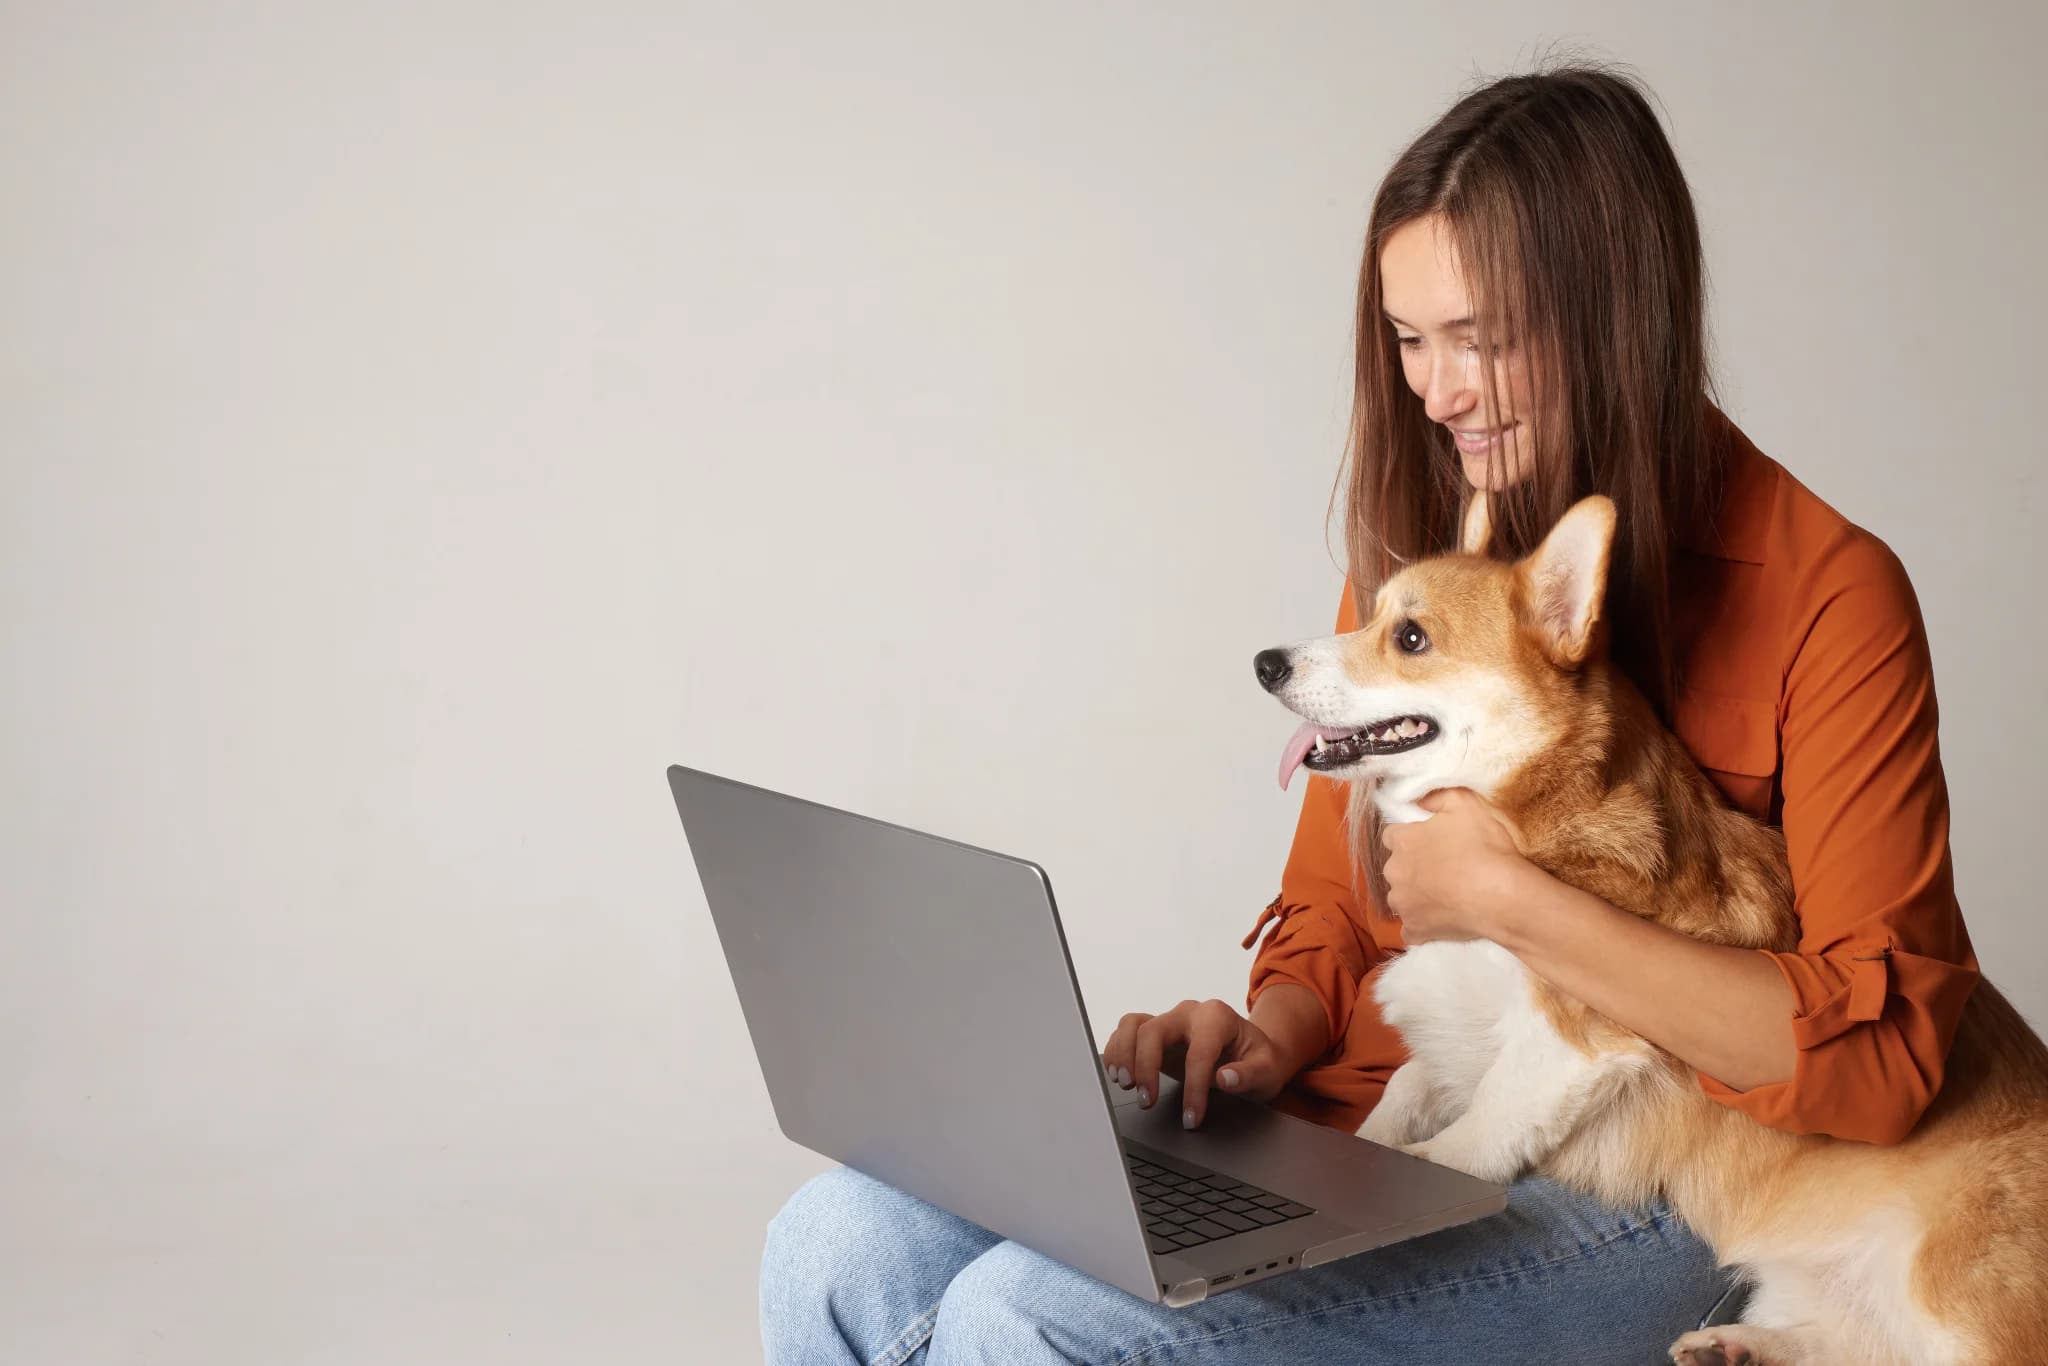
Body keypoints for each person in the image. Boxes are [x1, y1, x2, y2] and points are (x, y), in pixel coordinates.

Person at [757, 60, 1980, 1364]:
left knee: (1022, 1320)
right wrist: (1263, 1038)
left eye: (1480, 336)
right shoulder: (1429, 565)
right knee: (838, 1241)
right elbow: (1340, 908)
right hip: (1379, 1127)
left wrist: (1515, 899)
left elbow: (1885, 1054)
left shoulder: (1830, 593)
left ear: (1616, 316)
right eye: (1408, 338)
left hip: (1652, 1185)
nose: (1436, 390)